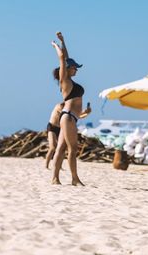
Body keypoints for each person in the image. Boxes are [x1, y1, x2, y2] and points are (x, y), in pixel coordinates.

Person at [51, 32, 91, 186]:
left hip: (71, 117)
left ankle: (55, 178)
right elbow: (62, 59)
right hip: (67, 117)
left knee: (61, 148)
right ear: (67, 69)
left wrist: (63, 41)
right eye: (74, 67)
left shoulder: (70, 80)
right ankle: (74, 179)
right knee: (73, 148)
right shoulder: (65, 81)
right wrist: (55, 45)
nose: (76, 70)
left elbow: (66, 57)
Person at [45, 102, 65, 169]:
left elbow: (77, 116)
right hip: (52, 127)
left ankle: (60, 166)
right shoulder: (59, 105)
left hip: (60, 129)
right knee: (52, 147)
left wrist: (86, 113)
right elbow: (64, 113)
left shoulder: (69, 109)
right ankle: (46, 166)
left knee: (62, 149)